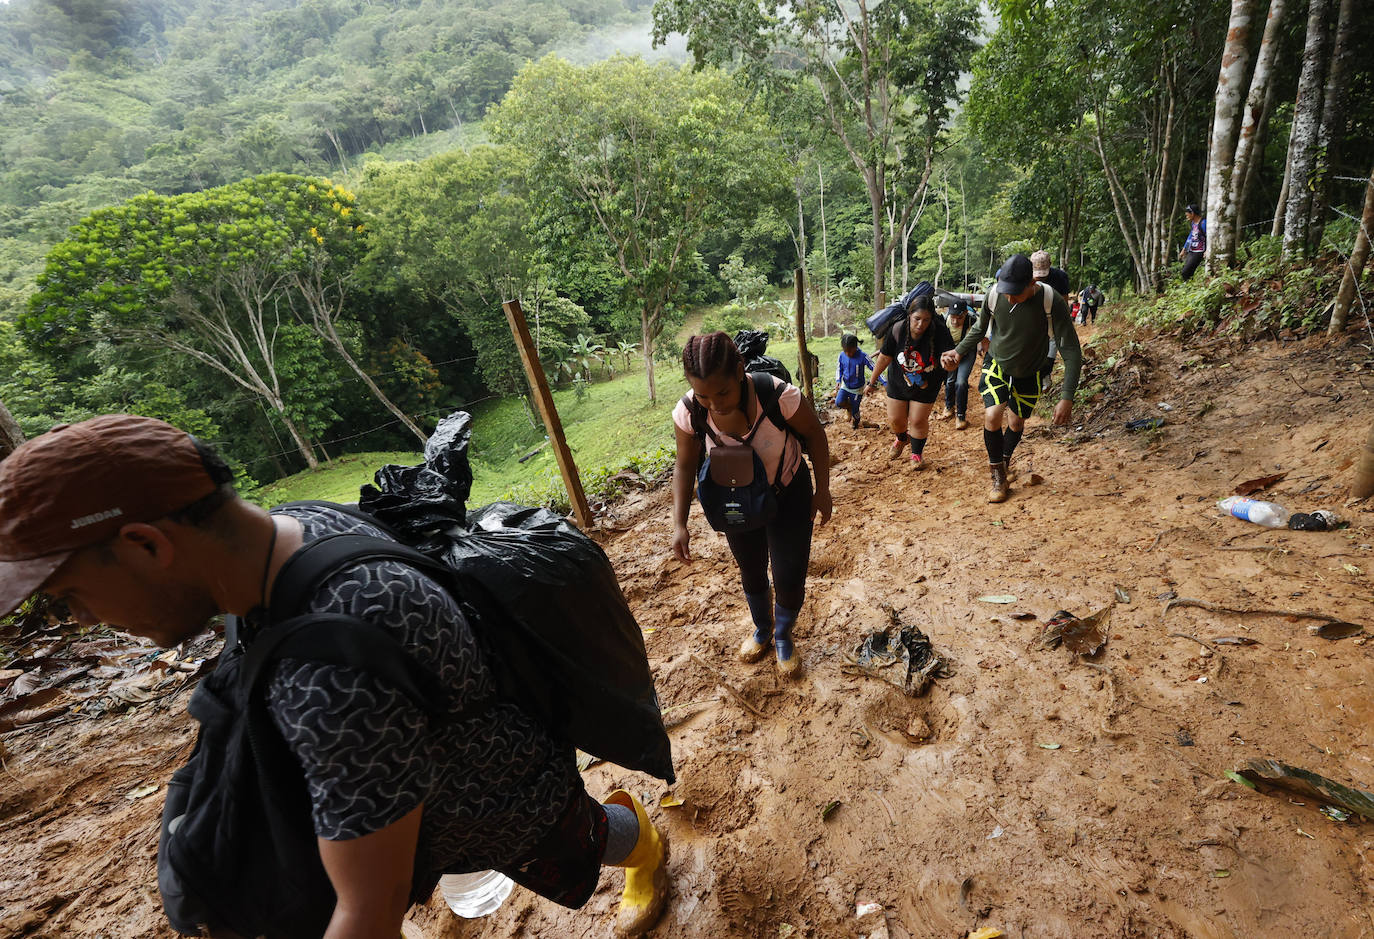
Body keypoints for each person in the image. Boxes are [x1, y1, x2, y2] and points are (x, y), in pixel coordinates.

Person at [0, 414, 671, 938]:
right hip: (423, 788)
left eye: (70, 597)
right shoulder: (294, 528)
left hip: (495, 796)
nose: (83, 619)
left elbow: (366, 917)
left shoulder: (333, 676)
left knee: (581, 836)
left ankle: (644, 844)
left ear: (146, 544)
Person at [671, 333, 832, 677]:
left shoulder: (777, 395)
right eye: (703, 395)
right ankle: (762, 629)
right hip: (736, 499)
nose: (714, 404)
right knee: (752, 569)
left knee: (789, 573)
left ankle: (783, 634)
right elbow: (684, 465)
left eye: (723, 392)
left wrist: (823, 490)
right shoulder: (689, 413)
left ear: (740, 371)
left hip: (789, 492)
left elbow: (816, 435)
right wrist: (679, 523)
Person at [942, 254, 1082, 503]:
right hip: (997, 362)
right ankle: (997, 476)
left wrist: (1067, 396)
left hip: (1032, 370)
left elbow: (1070, 348)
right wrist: (958, 350)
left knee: (1016, 423)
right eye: (1005, 292)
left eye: (1015, 293)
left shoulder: (1051, 301)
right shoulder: (996, 295)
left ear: (1032, 284)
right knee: (992, 415)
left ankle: (1004, 461)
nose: (1009, 298)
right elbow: (979, 328)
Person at [864, 293, 956, 470]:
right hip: (899, 380)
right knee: (896, 420)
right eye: (917, 319)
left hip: (927, 383)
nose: (921, 324)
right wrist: (872, 382)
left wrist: (950, 365)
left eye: (926, 320)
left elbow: (950, 361)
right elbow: (884, 358)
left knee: (917, 420)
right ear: (909, 315)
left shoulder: (939, 331)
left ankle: (916, 454)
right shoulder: (898, 329)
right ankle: (901, 438)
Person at [1030, 249, 1070, 393]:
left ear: (1050, 265)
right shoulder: (1024, 275)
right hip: (1031, 318)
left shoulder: (1060, 277)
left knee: (1050, 350)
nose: (1040, 279)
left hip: (1052, 318)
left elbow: (1064, 302)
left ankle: (1045, 374)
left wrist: (1064, 322)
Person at [936, 299, 977, 430]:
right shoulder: (945, 320)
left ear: (965, 314)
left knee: (961, 382)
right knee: (949, 381)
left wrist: (957, 357)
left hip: (967, 351)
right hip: (950, 350)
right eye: (953, 317)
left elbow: (969, 343)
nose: (955, 321)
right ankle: (949, 407)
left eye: (959, 317)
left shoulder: (972, 322)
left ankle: (961, 416)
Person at [833, 333, 875, 430]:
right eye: (845, 351)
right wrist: (838, 380)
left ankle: (856, 424)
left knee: (856, 411)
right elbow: (839, 368)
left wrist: (879, 382)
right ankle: (849, 407)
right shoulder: (842, 355)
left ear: (855, 347)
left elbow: (875, 368)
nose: (848, 354)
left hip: (857, 389)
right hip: (845, 386)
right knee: (839, 402)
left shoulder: (863, 356)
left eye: (850, 351)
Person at [1179, 204, 1206, 280]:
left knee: (1185, 272)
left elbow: (1210, 237)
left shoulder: (1204, 223)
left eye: (1187, 212)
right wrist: (1184, 250)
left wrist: (1207, 251)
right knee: (1188, 272)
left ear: (1192, 213)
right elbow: (1190, 237)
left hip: (1199, 251)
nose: (1186, 214)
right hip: (1192, 250)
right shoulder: (1193, 224)